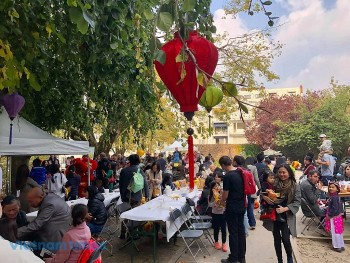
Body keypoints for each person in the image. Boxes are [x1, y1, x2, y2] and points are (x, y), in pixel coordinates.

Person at [262, 163, 301, 263]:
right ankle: (280, 260)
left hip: (286, 215)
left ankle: (289, 257)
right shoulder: (274, 184)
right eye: (280, 172)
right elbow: (264, 194)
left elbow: (297, 202)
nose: (282, 174)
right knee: (276, 239)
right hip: (274, 215)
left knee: (286, 239)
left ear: (289, 173)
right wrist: (265, 197)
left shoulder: (295, 186)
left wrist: (285, 209)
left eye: (284, 172)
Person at [17, 187, 71, 252]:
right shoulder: (49, 197)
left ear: (40, 197)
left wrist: (16, 233)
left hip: (54, 237)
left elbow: (37, 224)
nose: (30, 204)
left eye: (31, 202)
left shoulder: (49, 204)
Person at [219, 156, 246, 263]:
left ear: (223, 165)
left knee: (233, 233)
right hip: (242, 205)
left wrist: (221, 203)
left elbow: (225, 195)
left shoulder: (228, 176)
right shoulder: (240, 172)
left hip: (232, 207)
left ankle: (233, 258)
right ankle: (242, 257)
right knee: (241, 232)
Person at [324, 181, 345, 252]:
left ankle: (337, 246)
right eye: (330, 187)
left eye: (333, 187)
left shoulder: (334, 197)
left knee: (335, 231)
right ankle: (341, 245)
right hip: (338, 216)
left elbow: (335, 208)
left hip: (334, 217)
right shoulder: (336, 196)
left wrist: (329, 215)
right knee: (339, 231)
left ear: (337, 189)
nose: (330, 188)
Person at [209, 181, 227, 252]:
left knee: (224, 229)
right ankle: (216, 242)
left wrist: (222, 199)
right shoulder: (210, 195)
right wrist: (215, 201)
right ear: (212, 188)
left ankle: (224, 243)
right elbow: (210, 205)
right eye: (215, 187)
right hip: (215, 213)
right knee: (216, 229)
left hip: (223, 213)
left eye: (218, 186)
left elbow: (226, 202)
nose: (217, 188)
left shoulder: (222, 193)